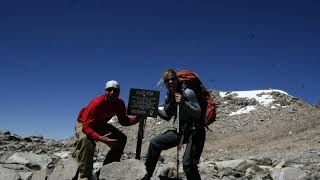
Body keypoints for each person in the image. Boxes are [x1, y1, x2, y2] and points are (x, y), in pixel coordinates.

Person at [144, 69, 206, 180]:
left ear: (177, 79)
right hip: (182, 130)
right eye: (167, 80)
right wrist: (155, 110)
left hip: (196, 131)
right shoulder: (169, 96)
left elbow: (198, 113)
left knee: (188, 164)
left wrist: (184, 103)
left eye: (173, 78)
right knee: (155, 143)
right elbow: (167, 116)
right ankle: (146, 176)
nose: (171, 81)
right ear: (165, 83)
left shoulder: (188, 93)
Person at [75, 80, 141, 180]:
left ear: (119, 92)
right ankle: (85, 176)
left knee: (121, 139)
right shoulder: (97, 103)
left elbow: (124, 121)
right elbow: (86, 127)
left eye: (115, 90)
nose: (112, 93)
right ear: (105, 91)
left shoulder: (119, 103)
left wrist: (138, 119)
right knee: (86, 141)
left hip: (100, 124)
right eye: (109, 90)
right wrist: (100, 138)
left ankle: (107, 170)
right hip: (84, 123)